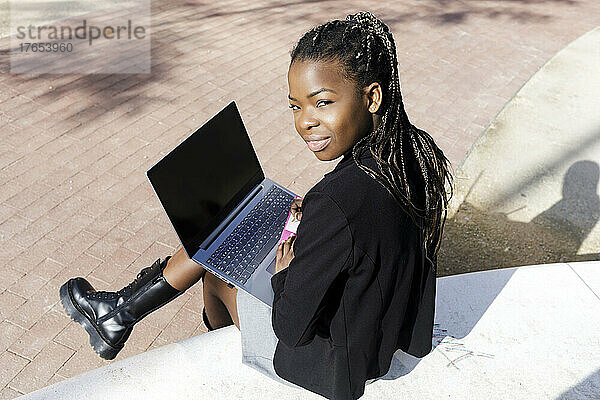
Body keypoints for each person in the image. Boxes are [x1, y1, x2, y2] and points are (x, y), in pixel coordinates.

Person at [59, 10, 453, 400]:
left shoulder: (335, 201)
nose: (305, 123)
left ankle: (167, 335)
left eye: (322, 102)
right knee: (222, 236)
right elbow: (369, 226)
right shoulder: (412, 152)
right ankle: (119, 314)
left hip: (342, 363)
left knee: (217, 265)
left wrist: (285, 271)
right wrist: (316, 225)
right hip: (386, 322)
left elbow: (291, 328)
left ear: (371, 97)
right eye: (296, 106)